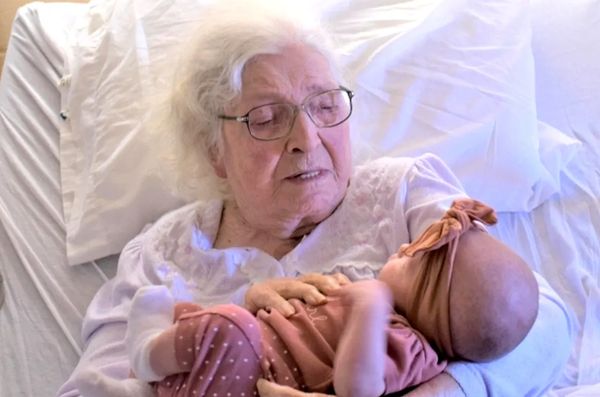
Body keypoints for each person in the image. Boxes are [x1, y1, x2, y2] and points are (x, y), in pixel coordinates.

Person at [58, 1, 572, 396]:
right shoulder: (161, 253)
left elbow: (541, 321)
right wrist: (238, 318)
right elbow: (91, 387)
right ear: (214, 152)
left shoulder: (403, 192)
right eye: (266, 118)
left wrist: (444, 392)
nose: (307, 137)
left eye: (325, 105)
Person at [120, 199, 536, 397]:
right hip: (234, 363)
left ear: (434, 303)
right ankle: (166, 360)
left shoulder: (410, 348)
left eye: (413, 258)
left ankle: (147, 355)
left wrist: (369, 305)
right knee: (221, 321)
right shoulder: (389, 319)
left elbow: (358, 388)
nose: (403, 249)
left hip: (248, 379)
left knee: (232, 327)